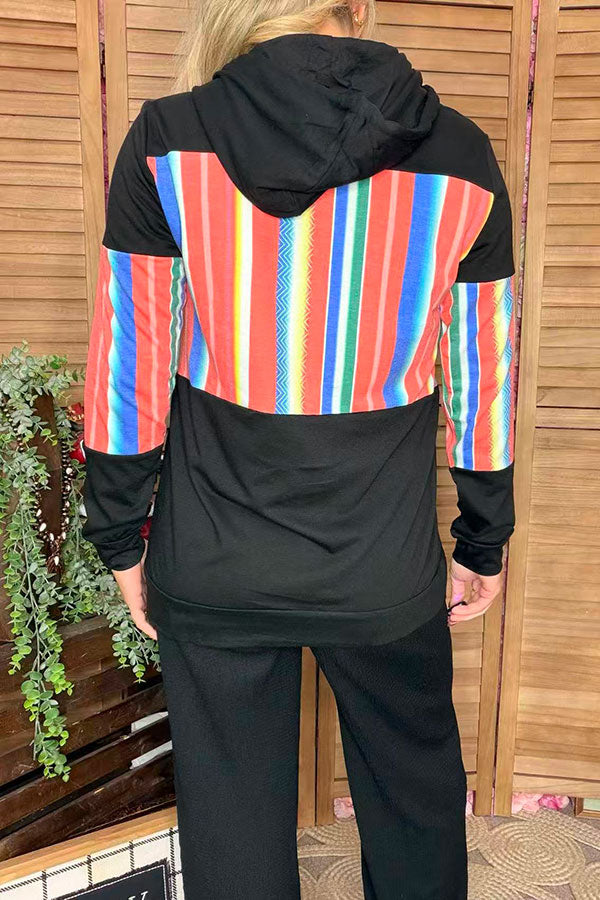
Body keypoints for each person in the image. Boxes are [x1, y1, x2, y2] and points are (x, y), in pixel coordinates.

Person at [81, 1, 516, 897]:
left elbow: (130, 363)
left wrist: (120, 536)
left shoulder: (167, 141)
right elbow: (484, 378)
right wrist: (482, 540)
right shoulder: (460, 155)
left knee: (231, 822)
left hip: (215, 555)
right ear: (353, 9)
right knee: (415, 802)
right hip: (382, 562)